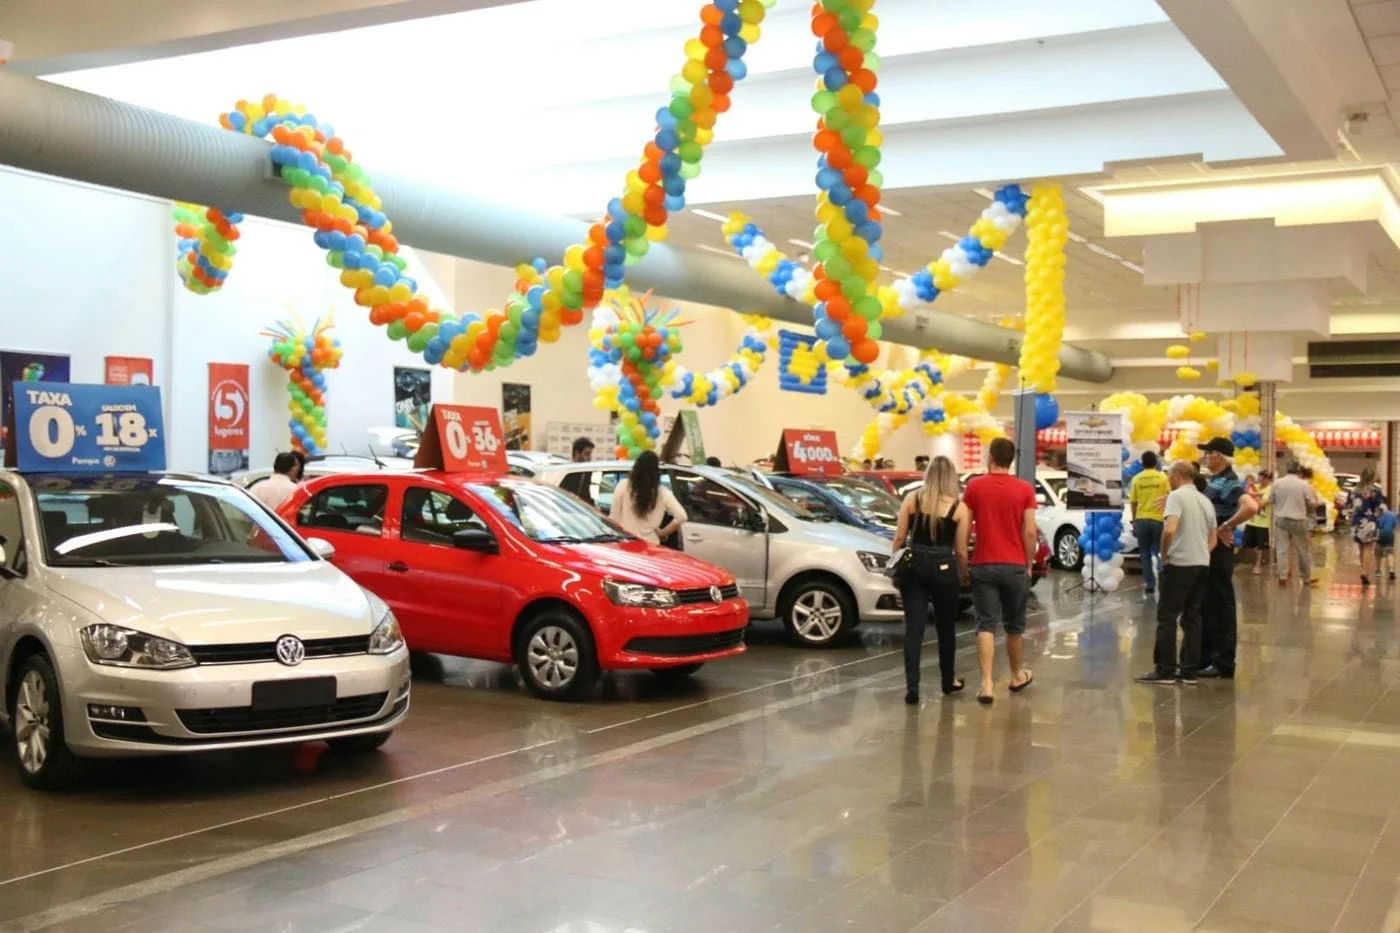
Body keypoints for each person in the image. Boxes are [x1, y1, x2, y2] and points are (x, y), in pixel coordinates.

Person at [962, 437, 1038, 704]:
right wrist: (1028, 562)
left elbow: (964, 526)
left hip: (983, 563)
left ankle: (986, 684)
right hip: (1015, 564)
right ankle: (1016, 676)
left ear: (990, 458)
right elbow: (1030, 531)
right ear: (1011, 460)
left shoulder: (974, 487)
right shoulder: (1024, 489)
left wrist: (963, 558)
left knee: (985, 624)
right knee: (1014, 626)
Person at [892, 455, 970, 704]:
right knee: (945, 628)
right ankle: (948, 682)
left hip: (914, 567)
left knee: (914, 629)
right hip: (944, 568)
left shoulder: (912, 499)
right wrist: (963, 572)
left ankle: (912, 687)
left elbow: (899, 538)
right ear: (951, 477)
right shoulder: (959, 508)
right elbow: (960, 550)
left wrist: (895, 568)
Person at [1137, 460, 1217, 685]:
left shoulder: (1176, 497)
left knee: (1167, 617)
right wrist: (1203, 553)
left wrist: (1165, 553)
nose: (1168, 479)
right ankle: (1190, 670)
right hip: (1201, 564)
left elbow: (1170, 528)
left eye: (1170, 475)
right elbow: (1213, 537)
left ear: (1177, 476)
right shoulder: (1205, 500)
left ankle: (1165, 669)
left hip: (1179, 564)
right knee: (1192, 617)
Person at [1196, 438, 1257, 680]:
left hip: (1219, 550)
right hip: (1209, 548)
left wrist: (1227, 525)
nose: (1205, 457)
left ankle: (1223, 661)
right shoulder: (1215, 481)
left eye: (1208, 453)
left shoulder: (1229, 481)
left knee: (1221, 604)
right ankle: (1208, 656)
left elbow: (1250, 506)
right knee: (1208, 603)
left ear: (1218, 456)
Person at [609, 451, 687, 545]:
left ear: (636, 468)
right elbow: (682, 517)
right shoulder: (663, 492)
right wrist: (663, 533)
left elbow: (614, 518)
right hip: (650, 545)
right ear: (656, 471)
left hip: (626, 543)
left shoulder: (623, 485)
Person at [1270, 463, 1322, 586]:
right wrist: (1316, 502)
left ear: (1286, 469)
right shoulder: (1304, 485)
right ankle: (1306, 577)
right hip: (1298, 520)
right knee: (1303, 550)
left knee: (1282, 549)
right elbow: (1311, 503)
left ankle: (1282, 576)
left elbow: (1271, 500)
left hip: (1281, 519)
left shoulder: (1277, 483)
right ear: (1298, 470)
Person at [1128, 451, 1169, 595]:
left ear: (1142, 463)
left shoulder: (1136, 479)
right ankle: (1163, 581)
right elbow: (1169, 497)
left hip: (1141, 519)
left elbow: (1133, 502)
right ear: (1155, 462)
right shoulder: (1163, 478)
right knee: (1160, 551)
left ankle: (1150, 585)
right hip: (1158, 520)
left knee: (1144, 553)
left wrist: (1134, 520)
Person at [1351, 469, 1384, 586]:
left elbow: (1349, 504)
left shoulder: (1354, 490)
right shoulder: (1375, 490)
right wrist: (1377, 517)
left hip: (1357, 522)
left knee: (1361, 547)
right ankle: (1365, 573)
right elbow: (1380, 507)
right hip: (1370, 522)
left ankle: (1362, 570)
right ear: (1371, 478)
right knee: (1368, 549)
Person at [1244, 471, 1273, 575]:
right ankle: (1257, 560)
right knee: (1248, 544)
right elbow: (1245, 498)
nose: (1261, 479)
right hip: (1251, 520)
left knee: (1260, 546)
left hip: (1262, 522)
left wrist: (1253, 499)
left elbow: (1263, 502)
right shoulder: (1254, 486)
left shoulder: (1270, 489)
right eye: (1260, 477)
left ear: (1269, 479)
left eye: (1264, 478)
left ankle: (1258, 564)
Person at [560, 437, 595, 506]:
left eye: (590, 454)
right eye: (587, 454)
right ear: (577, 453)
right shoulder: (567, 473)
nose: (590, 458)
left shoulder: (586, 472)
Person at [1378, 497, 1397, 582]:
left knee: (1378, 553)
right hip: (1390, 534)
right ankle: (1391, 570)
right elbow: (1396, 525)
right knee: (1390, 553)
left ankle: (1378, 570)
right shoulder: (1392, 514)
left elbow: (1377, 525)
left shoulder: (1379, 515)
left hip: (1380, 535)